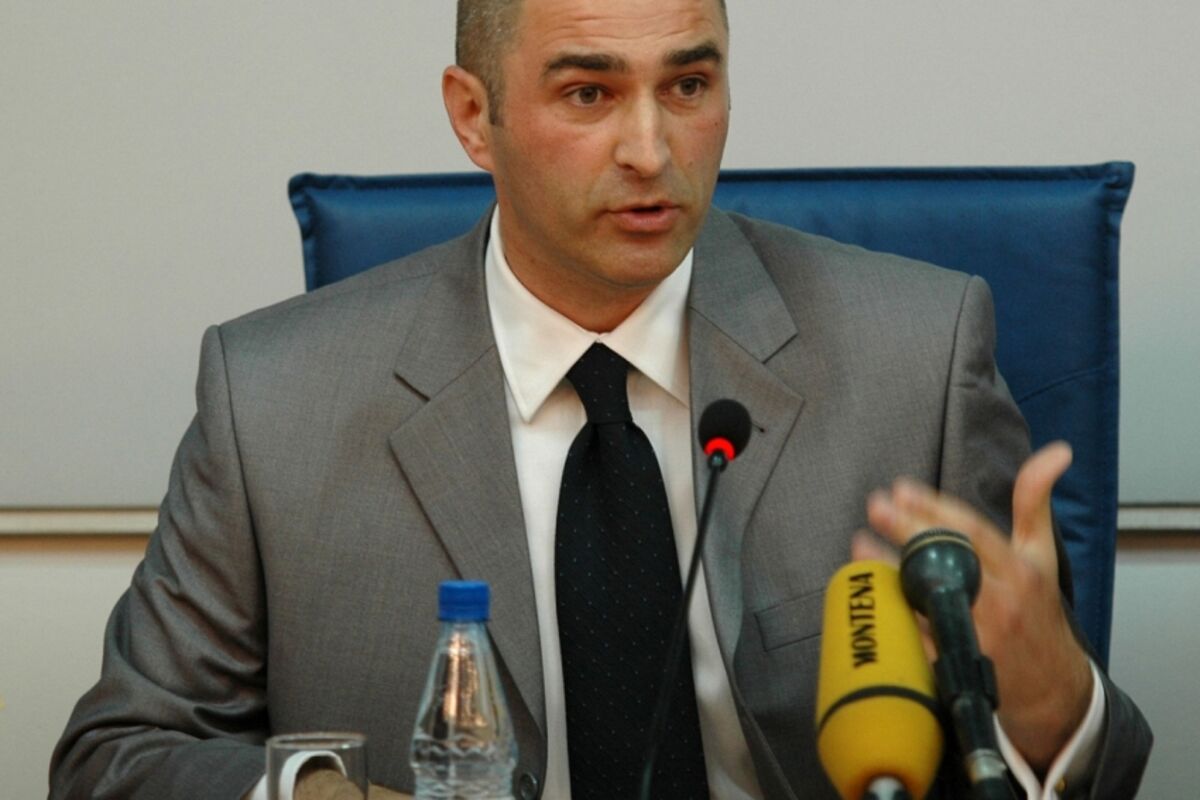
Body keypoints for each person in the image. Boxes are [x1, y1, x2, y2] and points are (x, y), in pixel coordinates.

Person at [50, 1, 1151, 798]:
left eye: (689, 85)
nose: (651, 150)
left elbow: (1090, 765)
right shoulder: (274, 399)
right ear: (472, 116)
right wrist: (318, 793)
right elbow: (118, 755)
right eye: (590, 93)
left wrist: (1055, 706)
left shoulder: (914, 356)